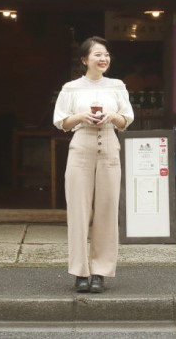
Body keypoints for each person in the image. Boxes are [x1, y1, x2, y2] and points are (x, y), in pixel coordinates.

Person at [53, 36, 134, 293]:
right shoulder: (71, 88)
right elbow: (62, 122)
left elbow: (126, 119)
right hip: (81, 145)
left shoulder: (117, 86)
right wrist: (81, 116)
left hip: (110, 143)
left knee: (107, 209)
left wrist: (114, 116)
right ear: (84, 60)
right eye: (98, 54)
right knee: (78, 210)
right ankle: (80, 272)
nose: (103, 58)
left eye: (106, 54)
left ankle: (100, 271)